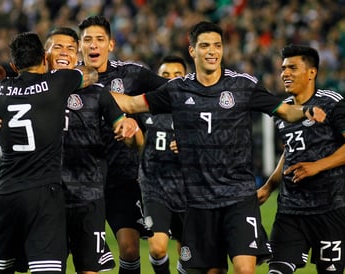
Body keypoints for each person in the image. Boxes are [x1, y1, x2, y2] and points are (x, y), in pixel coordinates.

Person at [109, 21, 326, 274]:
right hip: (199, 200)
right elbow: (131, 104)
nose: (212, 51)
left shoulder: (243, 86)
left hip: (238, 196)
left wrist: (306, 111)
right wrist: (95, 92)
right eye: (204, 46)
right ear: (192, 51)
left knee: (244, 269)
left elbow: (286, 111)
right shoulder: (177, 90)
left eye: (217, 45)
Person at [0, 27, 142, 274]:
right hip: (48, 196)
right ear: (45, 56)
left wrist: (131, 132)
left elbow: (133, 137)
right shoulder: (58, 83)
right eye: (57, 46)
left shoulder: (2, 89)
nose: (64, 51)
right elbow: (89, 74)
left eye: (70, 47)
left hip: (83, 196)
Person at [78, 15, 168, 274]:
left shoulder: (131, 74)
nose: (93, 45)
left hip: (122, 178)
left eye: (99, 40)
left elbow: (172, 94)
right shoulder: (68, 79)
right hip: (82, 178)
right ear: (80, 45)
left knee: (129, 249)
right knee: (85, 257)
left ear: (111, 45)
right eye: (87, 40)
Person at [257, 45, 345, 274]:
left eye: (293, 68)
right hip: (290, 210)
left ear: (312, 72)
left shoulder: (332, 103)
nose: (285, 73)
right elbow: (290, 151)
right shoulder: (283, 111)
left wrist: (317, 166)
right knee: (276, 271)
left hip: (330, 208)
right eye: (283, 68)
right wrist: (269, 185)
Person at [138, 55, 187, 274]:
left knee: (187, 254)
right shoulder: (145, 106)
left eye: (177, 75)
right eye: (165, 75)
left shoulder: (196, 110)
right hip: (154, 188)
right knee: (157, 248)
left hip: (189, 190)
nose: (170, 80)